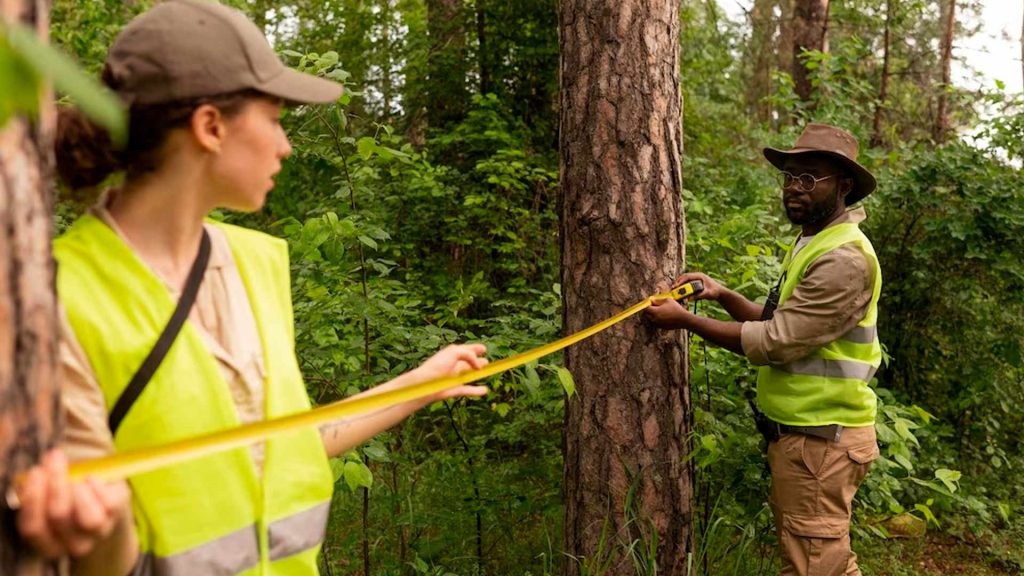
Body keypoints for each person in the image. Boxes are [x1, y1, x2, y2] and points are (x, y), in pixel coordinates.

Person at [19, 1, 490, 574]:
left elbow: (279, 446)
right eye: (275, 118)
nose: (284, 145)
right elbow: (98, 549)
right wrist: (100, 520)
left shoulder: (256, 262)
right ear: (211, 127)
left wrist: (419, 384)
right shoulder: (57, 296)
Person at [645, 123, 882, 576]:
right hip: (807, 441)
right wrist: (722, 294)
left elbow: (776, 342)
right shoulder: (816, 241)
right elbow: (782, 323)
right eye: (791, 177)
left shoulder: (843, 259)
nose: (795, 188)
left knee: (814, 567)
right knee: (823, 563)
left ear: (845, 187)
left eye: (810, 178)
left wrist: (685, 322)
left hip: (821, 443)